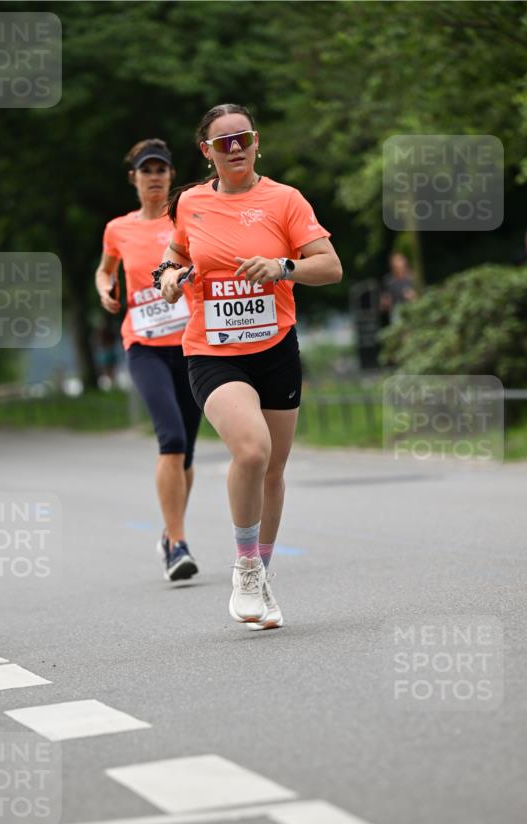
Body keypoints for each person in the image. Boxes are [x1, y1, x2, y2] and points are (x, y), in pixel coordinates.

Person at [156, 104, 342, 628]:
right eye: (223, 142)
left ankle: (261, 573)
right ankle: (244, 567)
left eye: (242, 138)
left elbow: (330, 267)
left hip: (275, 348)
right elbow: (171, 260)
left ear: (257, 141)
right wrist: (168, 279)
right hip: (212, 351)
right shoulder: (190, 203)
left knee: (274, 470)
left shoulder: (285, 200)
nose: (234, 148)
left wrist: (284, 267)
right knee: (253, 450)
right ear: (206, 152)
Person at [95, 139, 201, 581]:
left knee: (187, 454)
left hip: (193, 344)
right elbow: (105, 268)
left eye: (161, 169)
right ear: (133, 178)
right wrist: (105, 288)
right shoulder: (118, 229)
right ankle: (177, 545)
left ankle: (168, 531)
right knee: (171, 439)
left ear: (172, 176)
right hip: (144, 345)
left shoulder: (189, 220)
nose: (154, 176)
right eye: (146, 170)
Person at [379, 252, 416, 323]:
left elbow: (418, 298)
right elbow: (384, 303)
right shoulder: (388, 280)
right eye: (395, 262)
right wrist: (385, 303)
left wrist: (412, 297)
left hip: (410, 310)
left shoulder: (410, 278)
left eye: (399, 261)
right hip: (396, 312)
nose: (398, 264)